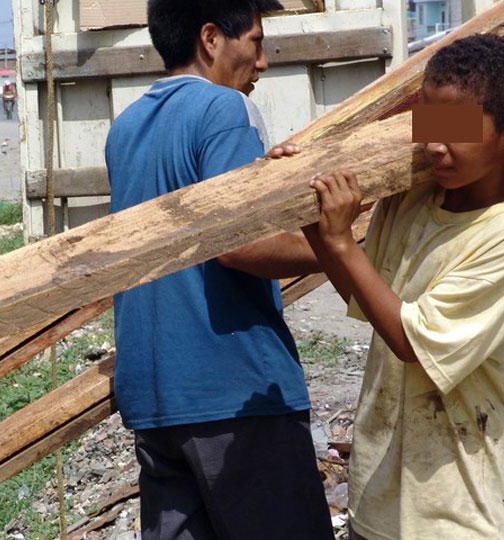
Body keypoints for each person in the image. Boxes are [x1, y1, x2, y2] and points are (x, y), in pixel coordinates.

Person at [104, 1, 334, 539]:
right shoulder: (224, 108)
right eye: (255, 42)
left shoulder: (127, 125)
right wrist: (346, 245)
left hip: (156, 400)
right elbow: (239, 247)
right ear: (211, 38)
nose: (263, 62)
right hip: (234, 391)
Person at [302, 34, 504, 540]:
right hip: (379, 493)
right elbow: (366, 296)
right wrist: (306, 198)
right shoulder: (414, 195)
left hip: (453, 507)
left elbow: (412, 341)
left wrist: (342, 242)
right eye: (429, 125)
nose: (435, 145)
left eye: (456, 130)